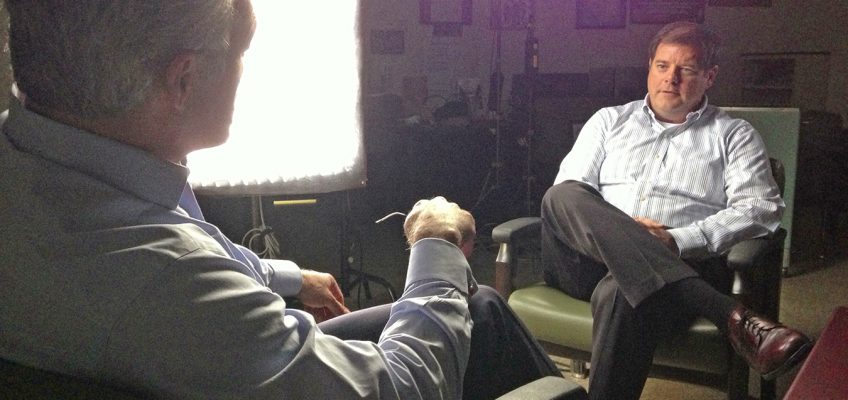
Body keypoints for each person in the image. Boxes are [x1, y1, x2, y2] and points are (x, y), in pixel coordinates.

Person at [0, 1, 562, 399]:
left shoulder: (39, 164)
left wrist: (285, 278)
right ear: (183, 81)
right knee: (474, 315)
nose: (244, 71)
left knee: (482, 312)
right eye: (241, 52)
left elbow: (173, 243)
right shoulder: (166, 281)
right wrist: (437, 244)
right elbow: (404, 388)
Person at [540, 21, 812, 399]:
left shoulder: (734, 134)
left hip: (682, 264)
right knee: (561, 195)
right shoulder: (608, 121)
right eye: (662, 66)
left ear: (709, 76)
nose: (671, 78)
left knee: (623, 289)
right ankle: (728, 314)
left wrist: (677, 240)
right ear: (650, 68)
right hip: (585, 263)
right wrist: (630, 235)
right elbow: (571, 195)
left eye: (686, 69)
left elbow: (760, 208)